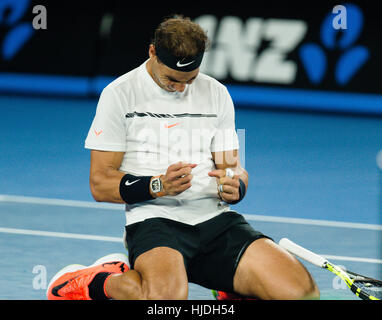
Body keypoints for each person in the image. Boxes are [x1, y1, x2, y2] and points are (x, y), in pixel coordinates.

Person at [46, 15, 319, 300]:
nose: (181, 89)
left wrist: (237, 185)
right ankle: (92, 281)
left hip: (215, 220)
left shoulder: (217, 93)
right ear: (152, 52)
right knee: (166, 303)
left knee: (302, 295)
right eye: (172, 79)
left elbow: (232, 167)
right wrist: (158, 185)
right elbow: (100, 184)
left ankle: (228, 284)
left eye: (190, 79)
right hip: (155, 221)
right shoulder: (119, 94)